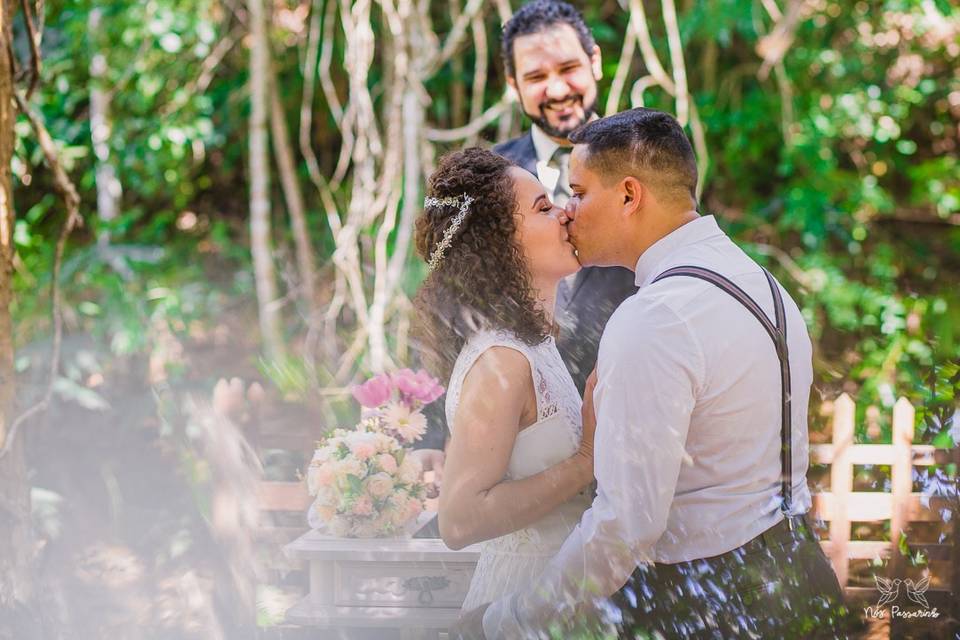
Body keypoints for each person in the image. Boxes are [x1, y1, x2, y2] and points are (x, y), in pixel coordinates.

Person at [458, 108, 848, 638]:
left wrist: (508, 620)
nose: (569, 212)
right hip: (803, 579)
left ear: (628, 195)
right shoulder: (764, 286)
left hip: (717, 605)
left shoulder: (656, 318)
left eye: (577, 191)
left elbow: (625, 528)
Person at [412, 147, 596, 611]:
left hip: (560, 599)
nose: (564, 214)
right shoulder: (501, 361)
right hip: (519, 601)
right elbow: (458, 521)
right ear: (501, 245)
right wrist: (585, 463)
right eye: (542, 207)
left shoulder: (534, 346)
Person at [493, 0, 637, 394]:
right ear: (513, 84)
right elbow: (450, 304)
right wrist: (432, 436)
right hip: (514, 414)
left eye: (568, 68)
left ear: (595, 62)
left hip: (631, 401)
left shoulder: (649, 161)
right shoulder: (488, 175)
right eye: (536, 76)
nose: (556, 89)